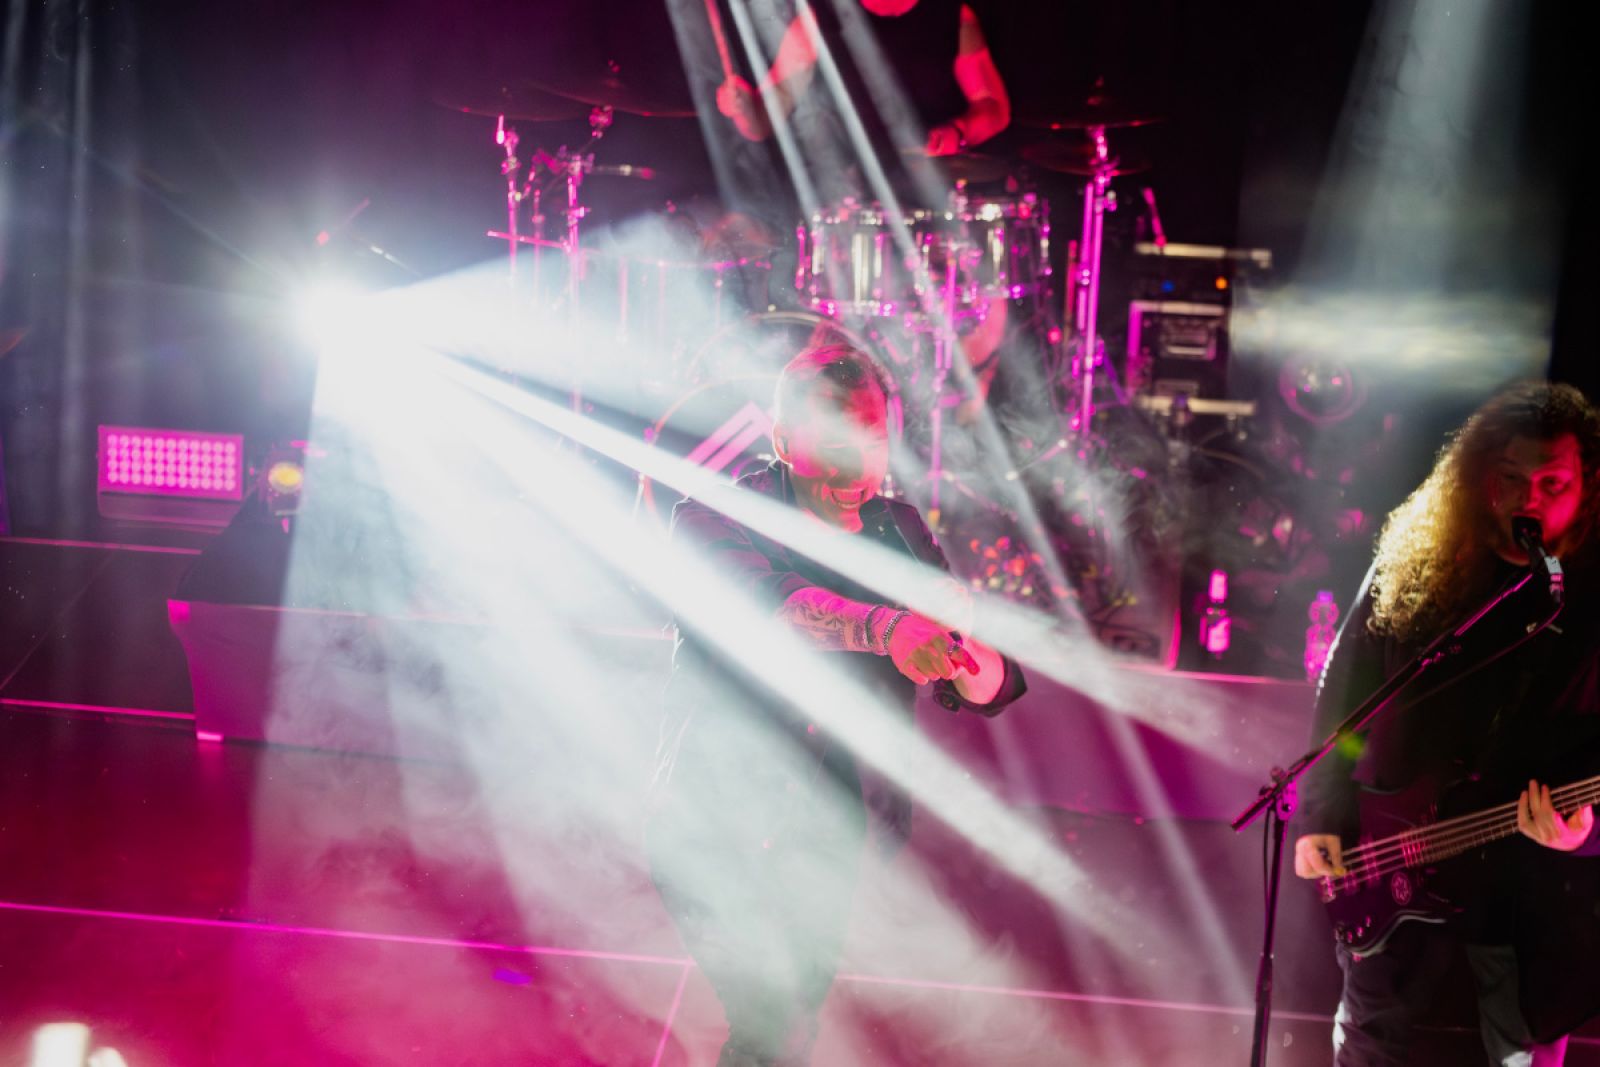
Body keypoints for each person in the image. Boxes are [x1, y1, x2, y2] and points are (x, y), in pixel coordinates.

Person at [646, 339, 1026, 1066]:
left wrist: (964, 640)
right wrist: (889, 629)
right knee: (770, 1024)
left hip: (837, 837)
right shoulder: (714, 517)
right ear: (784, 439)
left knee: (790, 1026)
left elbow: (986, 688)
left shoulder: (900, 531)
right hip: (716, 828)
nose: (857, 465)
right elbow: (773, 606)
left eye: (872, 442)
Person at [1293, 381, 1600, 1065]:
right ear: (1479, 475)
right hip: (1394, 879)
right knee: (1371, 1045)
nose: (1528, 500)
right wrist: (1320, 809)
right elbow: (1348, 692)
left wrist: (1587, 834)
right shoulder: (1419, 559)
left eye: (1553, 483)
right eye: (1510, 477)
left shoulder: (1588, 597)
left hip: (1525, 912)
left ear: (1588, 487)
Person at [715, 0, 1011, 163]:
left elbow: (994, 107)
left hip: (942, 190)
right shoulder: (818, 19)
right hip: (856, 194)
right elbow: (764, 120)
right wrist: (743, 107)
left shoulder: (953, 14)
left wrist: (958, 132)